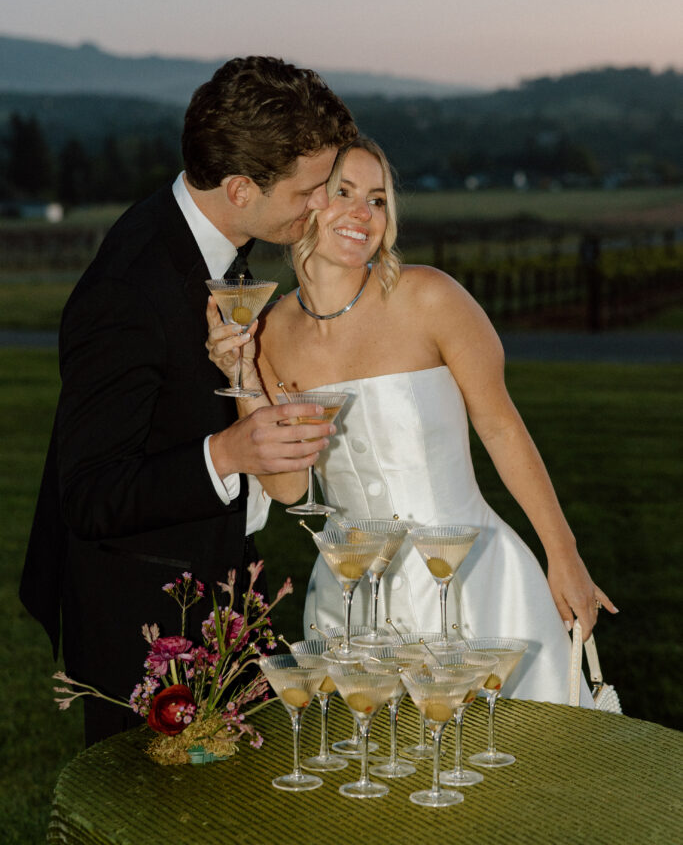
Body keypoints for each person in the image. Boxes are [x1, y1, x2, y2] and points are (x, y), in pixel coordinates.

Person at [206, 135, 618, 706]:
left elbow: (501, 427)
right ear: (305, 205)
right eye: (342, 192)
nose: (362, 213)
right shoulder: (272, 331)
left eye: (377, 199)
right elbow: (287, 486)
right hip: (349, 601)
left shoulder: (430, 298)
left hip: (475, 587)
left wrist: (564, 553)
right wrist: (244, 372)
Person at [19, 56, 357, 745]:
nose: (323, 205)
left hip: (217, 595)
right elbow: (87, 494)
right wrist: (228, 452)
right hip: (146, 628)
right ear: (238, 187)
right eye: (309, 191)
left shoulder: (211, 246)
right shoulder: (128, 290)